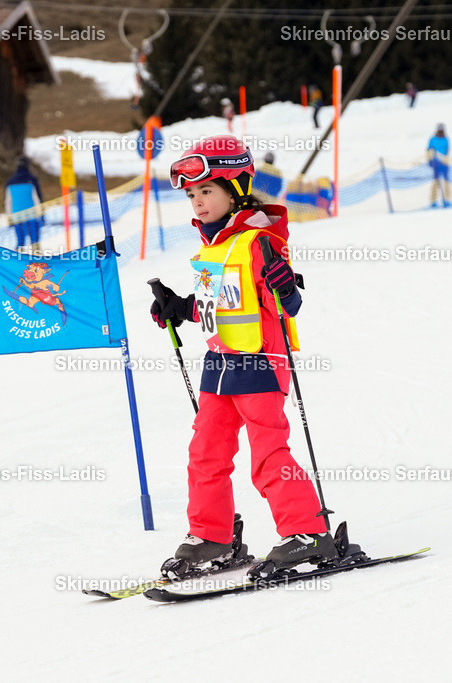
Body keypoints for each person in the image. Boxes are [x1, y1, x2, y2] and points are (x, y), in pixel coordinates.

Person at [150, 135, 334, 573]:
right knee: (205, 452)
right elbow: (220, 305)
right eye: (192, 194)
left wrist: (284, 286)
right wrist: (180, 307)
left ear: (236, 189)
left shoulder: (258, 242)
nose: (197, 201)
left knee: (268, 452)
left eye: (206, 191)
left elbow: (285, 305)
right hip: (219, 364)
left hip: (259, 360)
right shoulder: (212, 247)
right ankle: (213, 537)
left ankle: (307, 531)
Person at [4, 156, 44, 254]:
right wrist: (41, 214)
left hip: (17, 216)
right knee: (35, 242)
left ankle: (18, 262)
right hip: (32, 216)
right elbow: (37, 199)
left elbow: (8, 202)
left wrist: (10, 218)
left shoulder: (10, 182)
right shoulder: (32, 179)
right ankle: (38, 262)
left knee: (20, 242)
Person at [427, 123, 450, 207]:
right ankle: (433, 201)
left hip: (444, 163)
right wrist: (429, 160)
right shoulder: (433, 139)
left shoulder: (446, 139)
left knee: (446, 182)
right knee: (435, 182)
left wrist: (446, 160)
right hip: (435, 162)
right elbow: (428, 150)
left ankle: (447, 199)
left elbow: (447, 150)